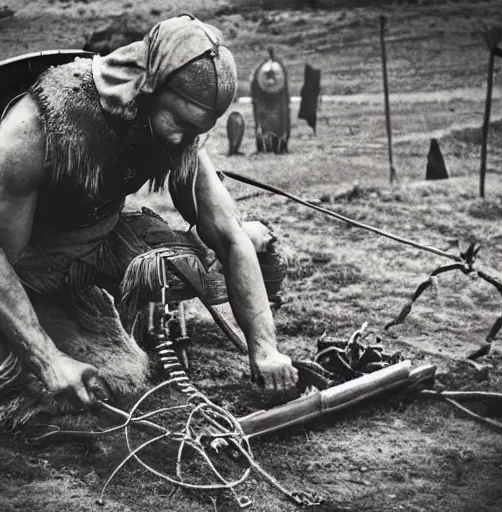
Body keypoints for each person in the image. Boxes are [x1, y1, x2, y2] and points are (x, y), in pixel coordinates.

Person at [0, 13, 298, 416]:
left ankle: (141, 316)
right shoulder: (32, 132)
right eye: (179, 122)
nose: (184, 140)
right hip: (28, 267)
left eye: (196, 131)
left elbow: (227, 234)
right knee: (97, 385)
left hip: (103, 237)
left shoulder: (176, 131)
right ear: (148, 88)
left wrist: (265, 350)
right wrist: (48, 359)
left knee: (249, 254)